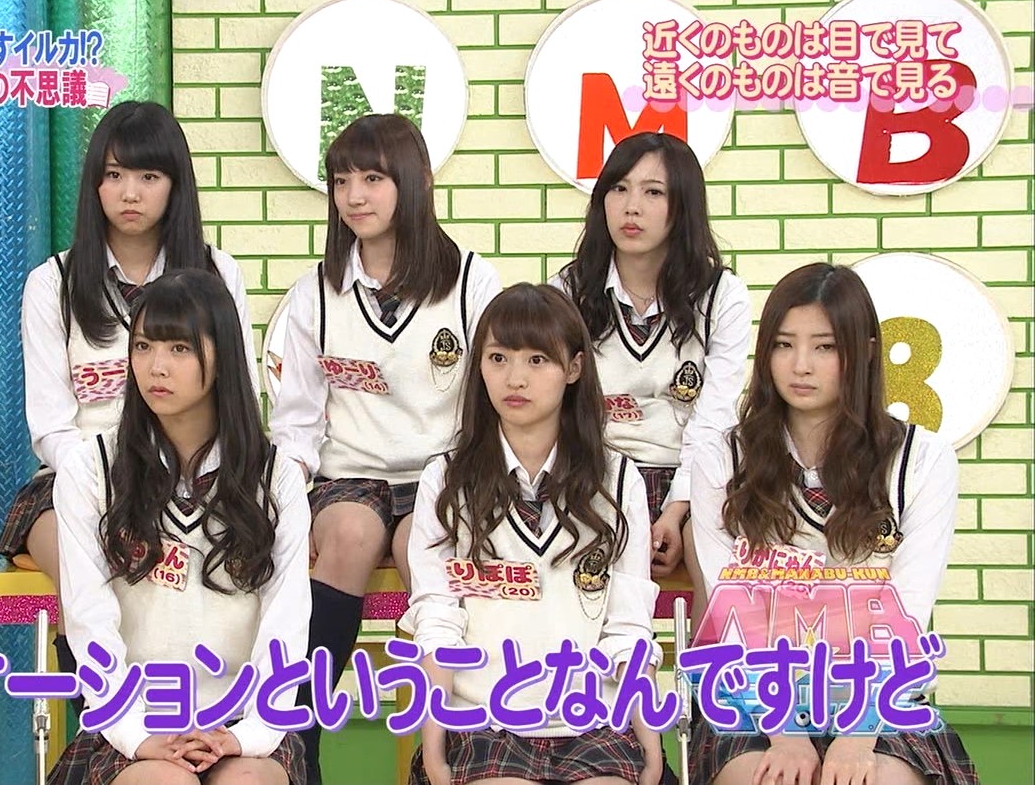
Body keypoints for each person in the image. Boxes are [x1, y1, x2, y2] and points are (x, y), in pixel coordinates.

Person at [268, 113, 500, 783]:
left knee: (422, 550)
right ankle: (297, 742)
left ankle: (448, 752)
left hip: (445, 473)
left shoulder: (472, 281)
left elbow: (495, 401)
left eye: (372, 178)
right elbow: (297, 422)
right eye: (342, 181)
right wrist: (285, 501)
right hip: (352, 476)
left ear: (415, 181)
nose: (354, 196)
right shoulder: (315, 292)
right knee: (346, 535)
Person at [688, 263, 978, 785]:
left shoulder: (921, 460)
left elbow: (908, 611)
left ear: (864, 352)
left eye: (824, 347)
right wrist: (785, 732)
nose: (801, 365)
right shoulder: (721, 460)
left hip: (881, 696)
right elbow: (732, 614)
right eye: (783, 345)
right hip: (755, 698)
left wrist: (858, 734)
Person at [0, 101, 257, 672]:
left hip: (196, 474)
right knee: (84, 570)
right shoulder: (53, 283)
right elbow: (51, 426)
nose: (129, 193)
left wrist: (176, 476)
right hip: (78, 475)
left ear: (175, 185)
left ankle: (220, 702)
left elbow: (240, 397)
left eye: (148, 176)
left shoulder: (217, 274)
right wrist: (110, 477)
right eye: (113, 175)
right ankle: (104, 706)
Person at [49, 270, 309, 785]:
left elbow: (286, 622)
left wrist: (250, 734)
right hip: (128, 722)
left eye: (180, 348)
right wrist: (136, 735)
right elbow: (89, 621)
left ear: (223, 356)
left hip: (242, 719)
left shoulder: (275, 475)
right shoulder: (90, 469)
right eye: (142, 346)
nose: (157, 367)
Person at [402, 283, 664, 785]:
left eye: (537, 360)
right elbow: (437, 623)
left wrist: (651, 751)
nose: (515, 378)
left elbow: (628, 628)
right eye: (498, 358)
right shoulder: (447, 479)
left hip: (594, 721)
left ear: (574, 368)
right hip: (482, 722)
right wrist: (434, 752)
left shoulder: (617, 479)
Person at [550, 132, 750, 600]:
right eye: (618, 188)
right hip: (594, 475)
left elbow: (714, 418)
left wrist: (677, 510)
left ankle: (714, 652)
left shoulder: (722, 296)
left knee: (717, 553)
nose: (631, 207)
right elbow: (559, 413)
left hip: (694, 479)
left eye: (653, 192)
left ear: (683, 206)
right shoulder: (567, 292)